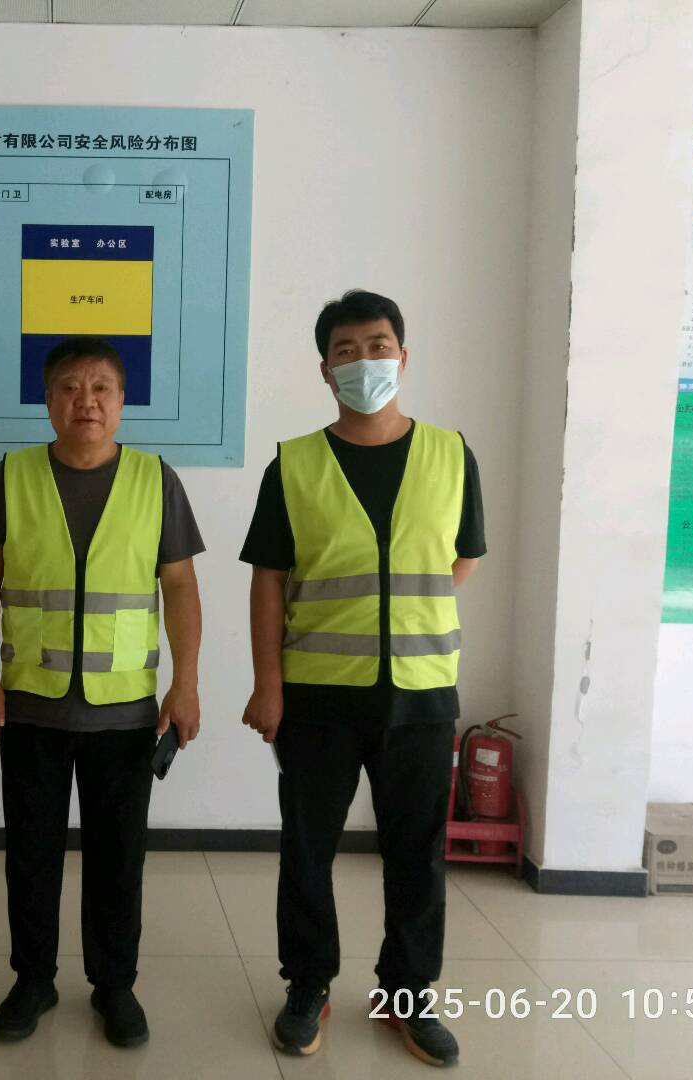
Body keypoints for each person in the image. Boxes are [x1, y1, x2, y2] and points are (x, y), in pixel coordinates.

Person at [239, 291, 485, 1068]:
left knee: (417, 851)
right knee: (307, 848)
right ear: (325, 370)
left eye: (377, 346)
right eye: (345, 350)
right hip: (318, 694)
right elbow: (268, 579)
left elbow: (461, 559)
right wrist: (267, 684)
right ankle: (307, 984)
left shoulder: (451, 454)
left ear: (402, 357)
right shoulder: (294, 464)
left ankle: (405, 992)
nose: (363, 361)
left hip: (421, 694)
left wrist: (404, 618)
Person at [0, 336, 205, 1049]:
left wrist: (185, 684)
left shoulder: (156, 479)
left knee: (117, 859)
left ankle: (114, 985)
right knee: (30, 854)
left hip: (125, 713)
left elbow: (180, 586)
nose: (86, 400)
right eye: (69, 387)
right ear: (47, 401)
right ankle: (33, 979)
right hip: (31, 702)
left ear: (123, 401)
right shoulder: (13, 475)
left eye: (101, 387)